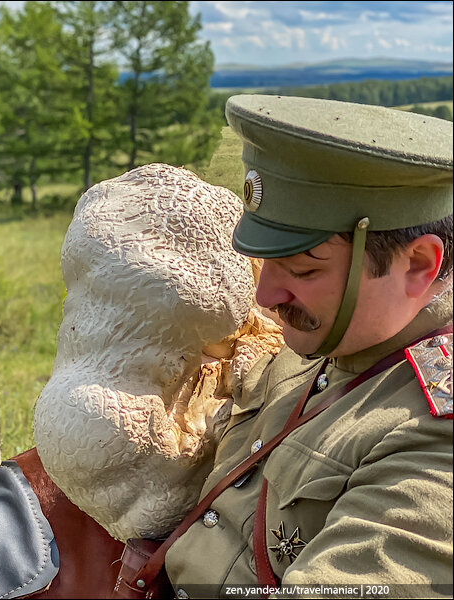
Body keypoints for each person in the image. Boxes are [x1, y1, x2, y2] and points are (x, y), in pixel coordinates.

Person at [162, 95, 452, 598]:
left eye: (303, 269)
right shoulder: (327, 341)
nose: (265, 296)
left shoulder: (434, 432)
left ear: (419, 264)